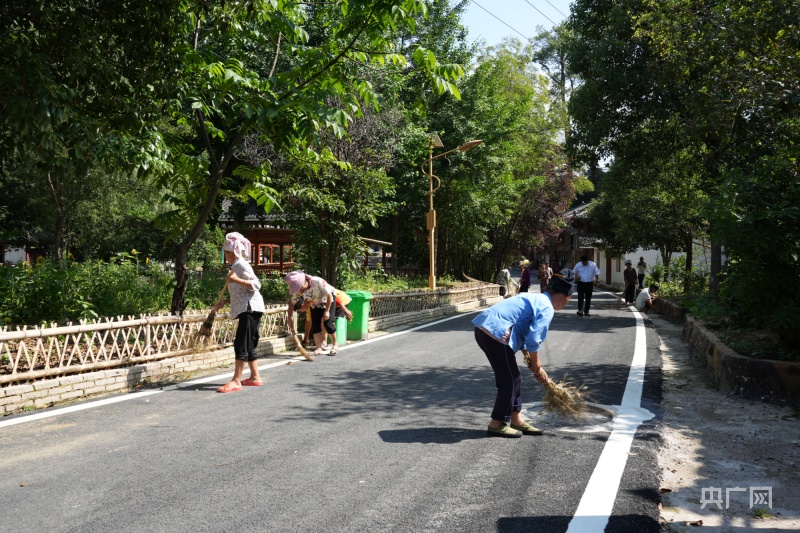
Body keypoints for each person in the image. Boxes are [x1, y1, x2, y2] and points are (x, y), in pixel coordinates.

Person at [472, 277, 573, 438]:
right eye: (567, 301)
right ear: (561, 296)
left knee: (513, 377)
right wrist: (537, 364)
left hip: (484, 329)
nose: (565, 304)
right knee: (511, 379)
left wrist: (531, 362)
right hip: (496, 333)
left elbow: (522, 330)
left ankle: (516, 419)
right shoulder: (547, 307)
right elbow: (534, 338)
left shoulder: (534, 298)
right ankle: (496, 424)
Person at [214, 232, 266, 393]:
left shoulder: (241, 265)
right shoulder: (235, 266)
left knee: (241, 343)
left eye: (227, 252)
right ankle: (255, 377)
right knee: (248, 343)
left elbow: (256, 285)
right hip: (247, 308)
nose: (225, 256)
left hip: (250, 309)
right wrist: (225, 302)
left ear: (235, 252)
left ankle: (236, 380)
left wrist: (236, 279)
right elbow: (240, 293)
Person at [284, 271, 346, 356]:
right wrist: (289, 318)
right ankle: (318, 348)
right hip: (315, 303)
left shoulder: (317, 281)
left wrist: (327, 311)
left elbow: (329, 296)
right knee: (315, 325)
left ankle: (335, 345)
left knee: (328, 323)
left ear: (304, 281)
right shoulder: (299, 291)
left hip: (328, 300)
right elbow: (291, 304)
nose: (299, 290)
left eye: (299, 286)